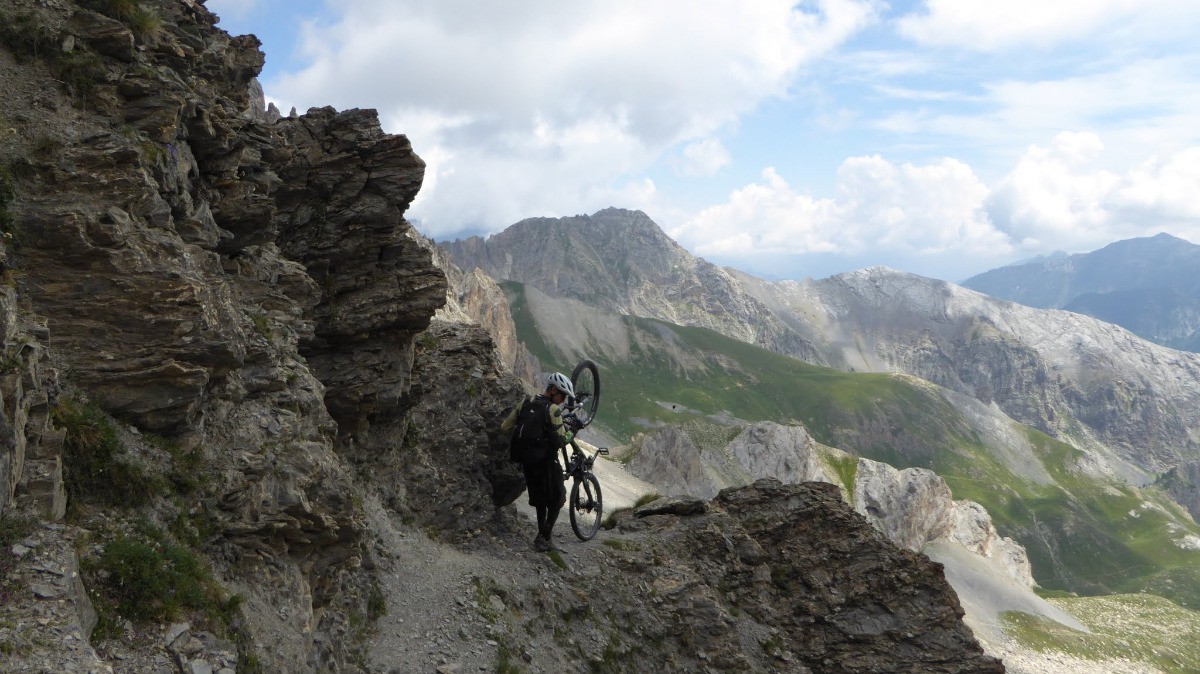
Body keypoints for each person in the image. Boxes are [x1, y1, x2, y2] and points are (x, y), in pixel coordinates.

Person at [502, 372, 580, 552]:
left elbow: (505, 427)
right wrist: (573, 431)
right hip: (546, 461)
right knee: (557, 498)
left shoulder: (526, 401)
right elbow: (561, 441)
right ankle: (544, 538)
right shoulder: (552, 409)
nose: (562, 400)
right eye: (562, 395)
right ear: (553, 390)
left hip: (527, 460)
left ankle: (541, 536)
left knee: (539, 499)